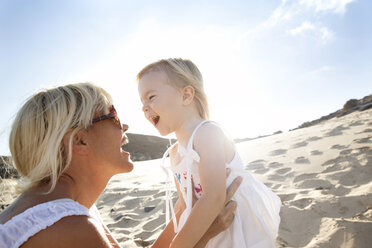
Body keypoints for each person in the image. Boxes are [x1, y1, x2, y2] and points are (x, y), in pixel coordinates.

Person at [0, 82, 242, 248]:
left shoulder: (61, 210)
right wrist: (205, 235)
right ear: (80, 140)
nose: (124, 126)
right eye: (112, 116)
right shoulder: (69, 225)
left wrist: (181, 209)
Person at [137, 58, 282, 248]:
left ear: (186, 95)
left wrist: (177, 246)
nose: (144, 107)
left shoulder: (207, 133)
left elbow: (214, 197)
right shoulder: (174, 153)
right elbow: (183, 205)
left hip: (235, 226)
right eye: (142, 102)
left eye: (151, 97)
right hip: (203, 228)